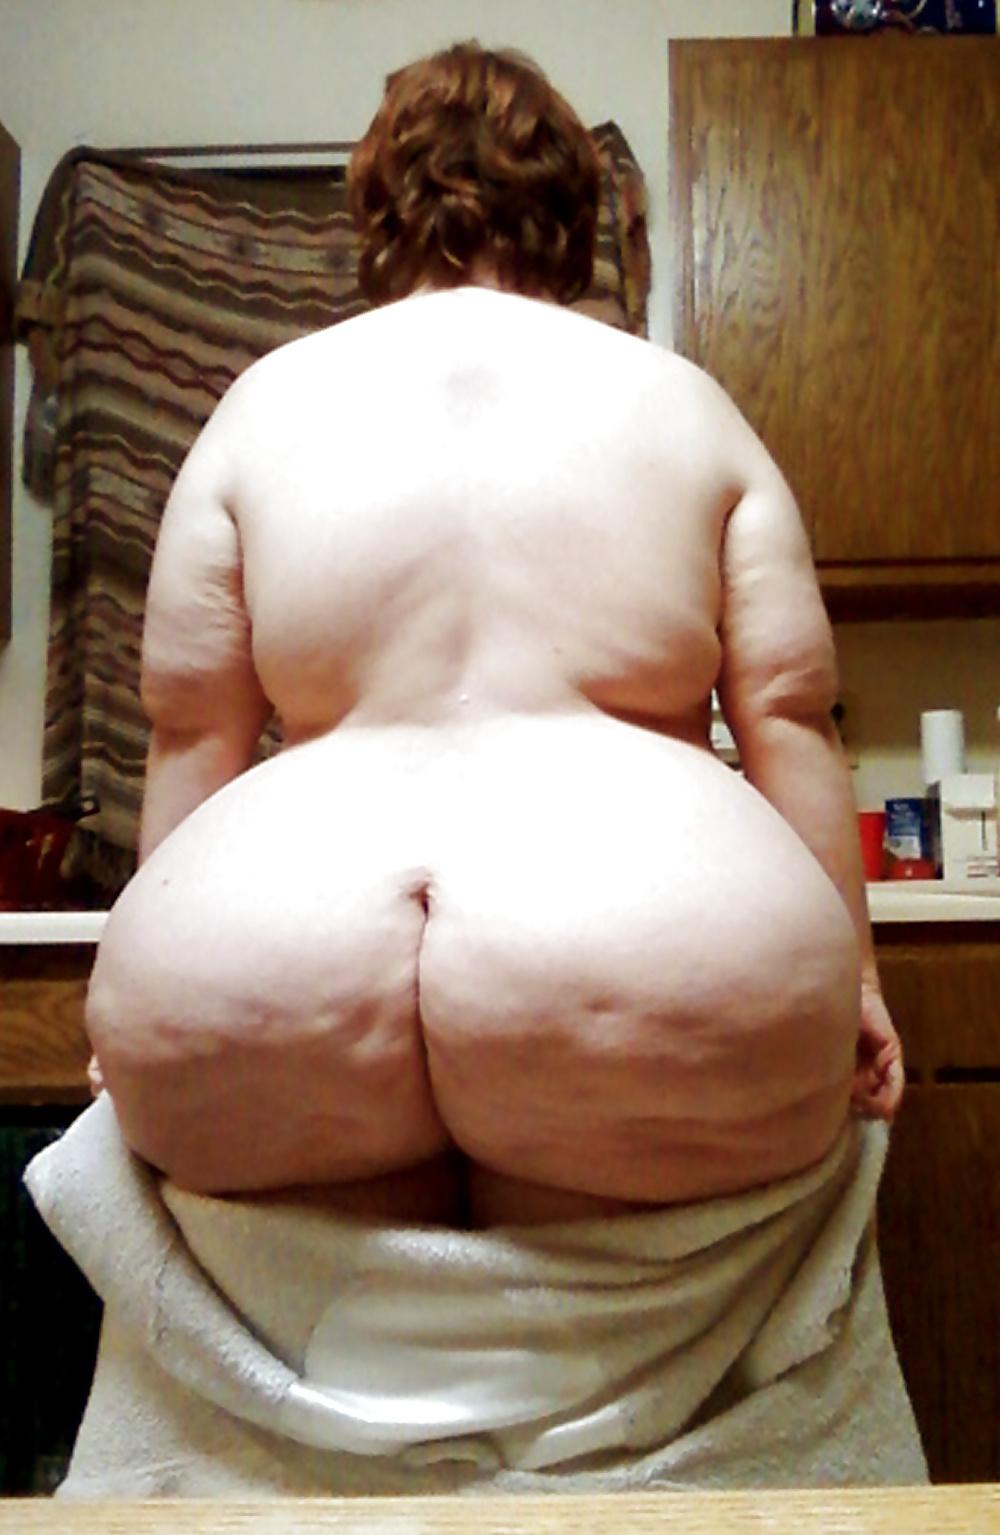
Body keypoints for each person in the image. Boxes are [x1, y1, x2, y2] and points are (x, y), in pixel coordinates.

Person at [86, 40, 902, 1229]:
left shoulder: (259, 410)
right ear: (573, 211)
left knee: (337, 1330)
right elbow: (784, 716)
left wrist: (146, 985)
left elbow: (190, 734)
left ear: (380, 206)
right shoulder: (685, 405)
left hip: (270, 985)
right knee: (613, 1324)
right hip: (645, 974)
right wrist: (856, 978)